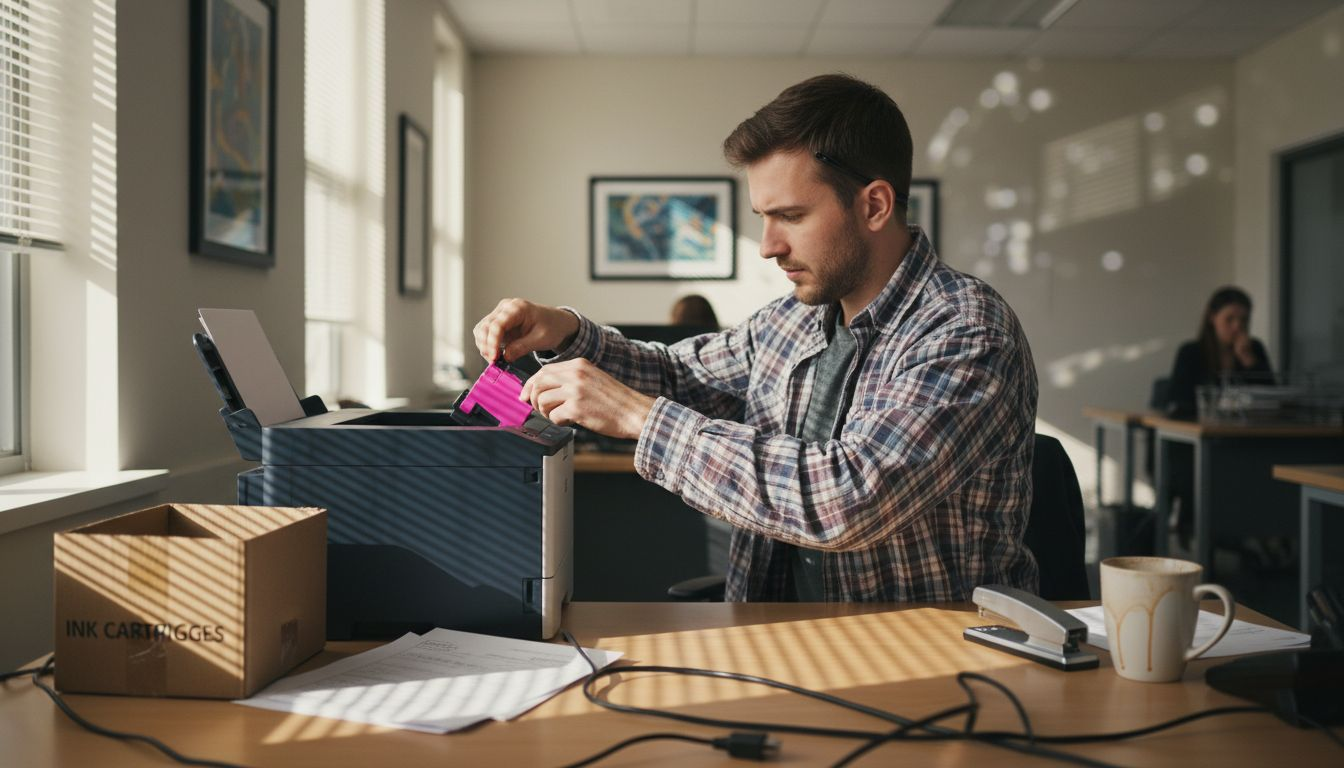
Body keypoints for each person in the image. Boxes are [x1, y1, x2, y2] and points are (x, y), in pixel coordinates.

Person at [474, 74, 1039, 602]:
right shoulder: (788, 320)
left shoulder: (964, 329)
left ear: (874, 205)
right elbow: (678, 375)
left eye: (790, 216)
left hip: (926, 661)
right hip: (771, 635)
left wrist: (642, 419)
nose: (768, 245)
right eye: (762, 216)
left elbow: (848, 500)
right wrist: (567, 333)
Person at [1164, 286, 1274, 419]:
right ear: (1212, 317)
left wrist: (1249, 361)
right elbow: (1178, 401)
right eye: (1229, 319)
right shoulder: (1191, 352)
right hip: (1204, 427)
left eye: (1244, 320)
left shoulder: (1255, 348)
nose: (1237, 326)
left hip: (1246, 429)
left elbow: (1271, 398)